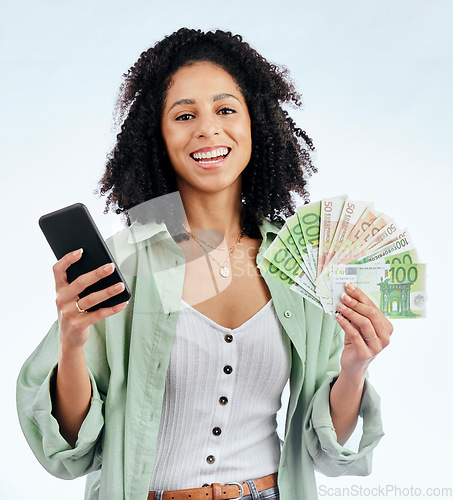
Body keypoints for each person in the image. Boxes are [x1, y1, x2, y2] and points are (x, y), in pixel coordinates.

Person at [17, 28, 392, 500]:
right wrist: (72, 342)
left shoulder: (297, 263)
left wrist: (355, 366)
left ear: (255, 122)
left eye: (226, 109)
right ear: (157, 134)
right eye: (185, 115)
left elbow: (328, 449)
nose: (208, 129)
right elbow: (69, 450)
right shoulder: (126, 260)